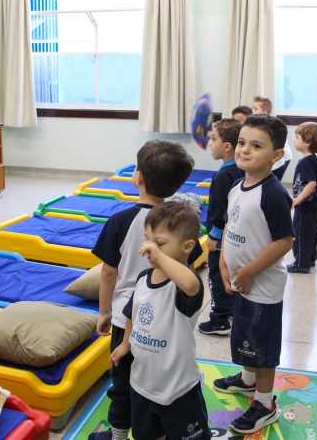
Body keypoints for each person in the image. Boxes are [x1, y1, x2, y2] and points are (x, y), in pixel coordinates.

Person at [90, 140, 197, 440]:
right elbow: (189, 267)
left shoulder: (121, 221)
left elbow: (108, 272)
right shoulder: (181, 225)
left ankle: (118, 435)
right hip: (167, 320)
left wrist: (104, 312)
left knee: (123, 383)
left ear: (138, 176)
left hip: (125, 318)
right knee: (159, 379)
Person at [214, 114, 294, 435]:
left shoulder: (273, 194)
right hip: (241, 283)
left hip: (262, 287)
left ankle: (264, 403)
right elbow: (230, 227)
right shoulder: (237, 186)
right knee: (246, 337)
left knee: (262, 349)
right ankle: (248, 381)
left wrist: (249, 270)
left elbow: (284, 241)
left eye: (256, 146)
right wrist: (224, 263)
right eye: (242, 143)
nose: (245, 150)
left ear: (276, 156)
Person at [111, 201, 211, 440]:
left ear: (187, 247)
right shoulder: (143, 279)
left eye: (160, 243)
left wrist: (160, 257)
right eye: (147, 239)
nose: (149, 248)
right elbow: (132, 313)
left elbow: (191, 284)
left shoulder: (183, 287)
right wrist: (125, 343)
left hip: (178, 389)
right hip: (142, 385)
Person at [199, 118, 244, 335]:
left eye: (213, 139)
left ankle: (219, 319)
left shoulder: (222, 176)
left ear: (227, 147)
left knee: (217, 276)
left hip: (221, 239)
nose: (210, 144)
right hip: (236, 236)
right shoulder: (241, 169)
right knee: (232, 273)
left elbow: (219, 210)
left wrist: (214, 236)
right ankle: (233, 310)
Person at [288, 122, 317, 274]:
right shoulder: (313, 159)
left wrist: (297, 200)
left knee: (300, 234)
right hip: (315, 204)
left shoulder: (305, 162)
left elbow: (312, 183)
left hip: (305, 206)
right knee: (311, 233)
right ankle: (310, 258)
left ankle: (301, 263)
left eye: (297, 137)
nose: (294, 140)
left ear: (307, 142)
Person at [252, 96, 292, 180]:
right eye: (252, 108)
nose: (252, 111)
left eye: (255, 109)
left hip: (282, 156)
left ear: (264, 113)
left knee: (272, 179)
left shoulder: (269, 125)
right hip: (276, 155)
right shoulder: (260, 124)